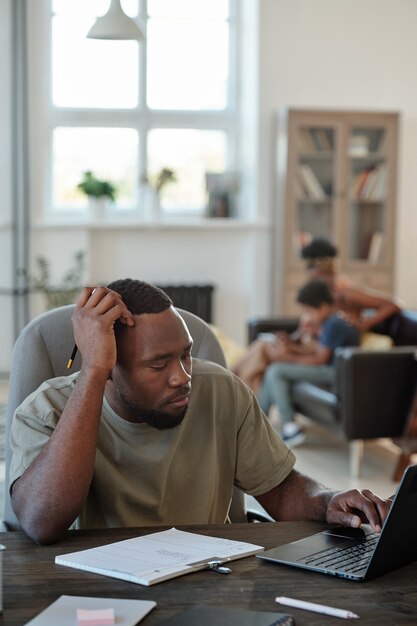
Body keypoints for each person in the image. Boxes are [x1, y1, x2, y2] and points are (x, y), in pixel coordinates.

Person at [9, 279, 391, 545]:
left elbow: (281, 489)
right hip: (94, 593)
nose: (182, 376)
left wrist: (328, 500)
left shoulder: (222, 391)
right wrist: (93, 371)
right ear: (109, 365)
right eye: (159, 365)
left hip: (207, 580)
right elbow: (43, 523)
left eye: (186, 354)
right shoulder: (47, 409)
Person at [232, 237, 401, 393]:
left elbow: (392, 305)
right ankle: (237, 386)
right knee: (263, 344)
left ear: (319, 269)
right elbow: (304, 329)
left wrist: (365, 324)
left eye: (309, 268)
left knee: (262, 350)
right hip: (310, 345)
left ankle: (236, 389)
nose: (307, 273)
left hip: (323, 350)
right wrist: (291, 339)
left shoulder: (346, 293)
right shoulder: (317, 294)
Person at [258, 279, 360, 447]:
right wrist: (291, 345)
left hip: (335, 372)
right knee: (274, 372)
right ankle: (260, 424)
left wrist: (288, 358)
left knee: (276, 371)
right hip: (331, 368)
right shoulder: (330, 321)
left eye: (309, 311)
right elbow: (319, 350)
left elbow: (321, 360)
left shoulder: (334, 324)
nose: (307, 316)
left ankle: (285, 425)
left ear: (323, 306)